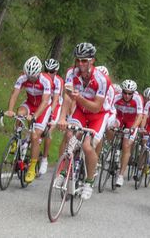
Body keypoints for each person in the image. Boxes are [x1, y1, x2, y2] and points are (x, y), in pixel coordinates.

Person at [57, 42, 110, 200]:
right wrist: (62, 117)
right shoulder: (71, 73)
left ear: (92, 61)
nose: (80, 64)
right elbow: (67, 96)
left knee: (87, 146)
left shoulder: (101, 80)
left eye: (84, 60)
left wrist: (79, 97)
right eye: (78, 60)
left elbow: (96, 107)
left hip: (98, 115)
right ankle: (65, 172)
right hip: (80, 111)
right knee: (70, 136)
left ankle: (89, 181)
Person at [5, 56, 53, 183]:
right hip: (30, 103)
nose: (30, 78)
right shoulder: (23, 78)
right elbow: (14, 94)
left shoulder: (46, 80)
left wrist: (35, 116)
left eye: (33, 77)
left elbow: (44, 101)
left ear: (38, 73)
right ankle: (16, 139)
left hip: (42, 107)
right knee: (19, 113)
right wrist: (10, 110)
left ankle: (32, 167)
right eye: (28, 76)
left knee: (35, 136)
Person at [111, 79, 143, 187]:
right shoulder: (117, 97)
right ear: (122, 91)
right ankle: (112, 149)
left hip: (131, 122)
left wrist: (133, 128)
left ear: (133, 93)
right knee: (111, 127)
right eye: (125, 92)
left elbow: (139, 116)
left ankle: (120, 175)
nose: (127, 95)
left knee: (126, 145)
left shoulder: (137, 99)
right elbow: (109, 109)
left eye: (130, 93)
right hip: (119, 117)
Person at [40, 58, 64, 175]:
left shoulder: (58, 81)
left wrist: (51, 113)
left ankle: (44, 158)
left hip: (56, 104)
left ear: (56, 72)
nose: (49, 73)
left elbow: (55, 99)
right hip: (44, 102)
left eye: (52, 71)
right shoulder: (42, 78)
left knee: (49, 129)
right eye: (47, 70)